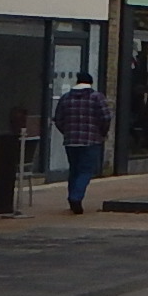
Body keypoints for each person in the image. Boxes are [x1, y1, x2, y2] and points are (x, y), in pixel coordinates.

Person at [52, 73, 113, 215]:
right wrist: (102, 133)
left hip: (71, 141)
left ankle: (72, 196)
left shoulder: (66, 98)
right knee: (86, 170)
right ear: (91, 83)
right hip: (91, 140)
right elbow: (106, 117)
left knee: (74, 170)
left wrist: (67, 132)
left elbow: (58, 119)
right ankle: (76, 197)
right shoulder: (97, 97)